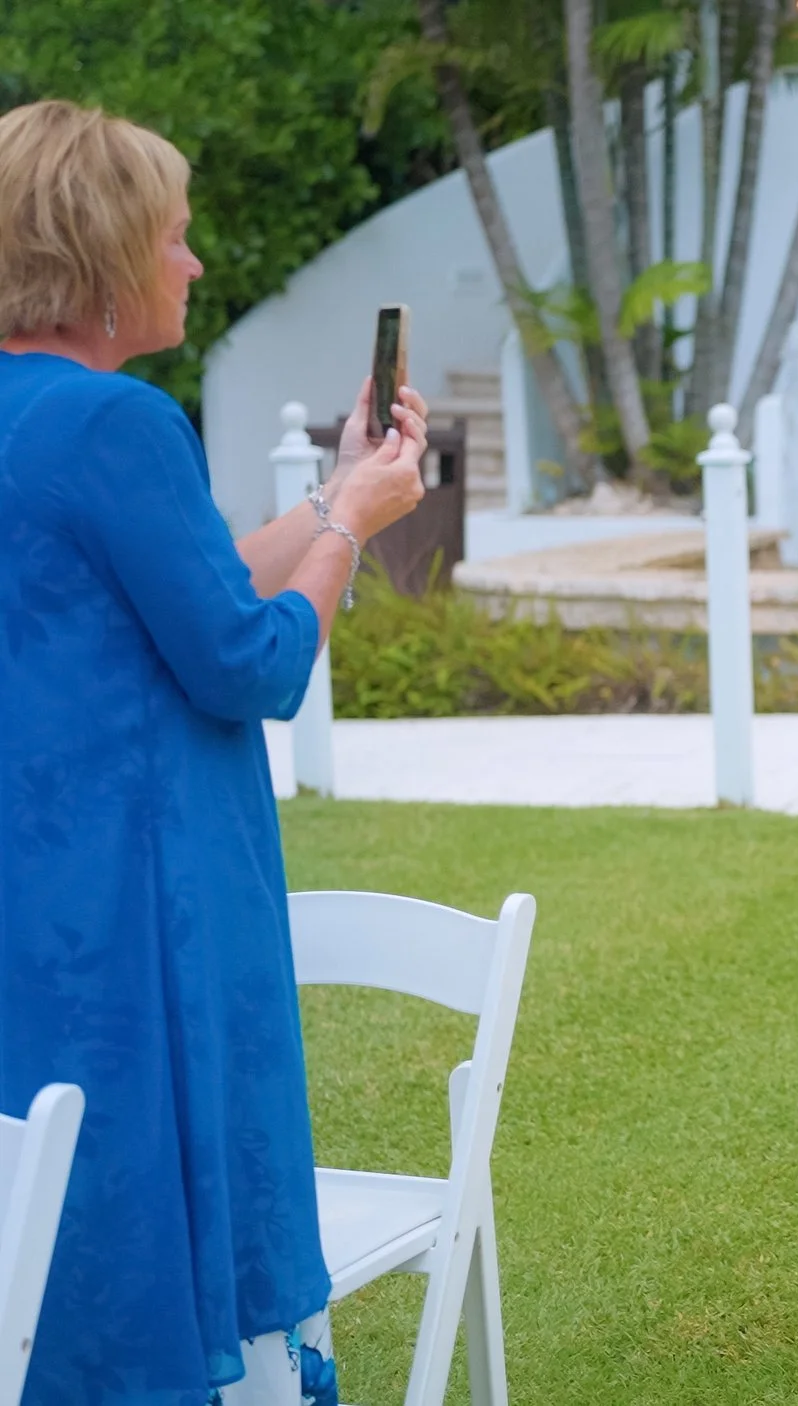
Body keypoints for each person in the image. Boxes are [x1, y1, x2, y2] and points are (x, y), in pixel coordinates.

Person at [0, 100, 428, 1405]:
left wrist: (319, 497)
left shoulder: (41, 421)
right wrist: (356, 524)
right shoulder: (117, 423)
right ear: (101, 255)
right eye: (173, 240)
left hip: (36, 890)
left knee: (44, 1201)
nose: (190, 265)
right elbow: (253, 661)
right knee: (153, 1181)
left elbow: (190, 592)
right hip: (148, 899)